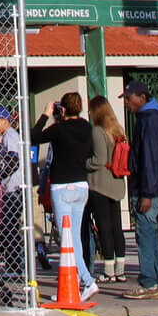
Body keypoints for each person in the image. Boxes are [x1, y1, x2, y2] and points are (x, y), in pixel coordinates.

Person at [31, 92, 97, 297]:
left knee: (68, 238)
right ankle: (73, 283)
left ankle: (87, 280)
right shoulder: (86, 127)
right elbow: (90, 151)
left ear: (64, 109)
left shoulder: (59, 129)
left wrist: (45, 115)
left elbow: (34, 137)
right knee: (75, 235)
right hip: (81, 185)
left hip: (62, 186)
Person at [119, 79, 158, 298]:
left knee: (145, 236)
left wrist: (146, 193)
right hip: (151, 187)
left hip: (146, 188)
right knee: (150, 234)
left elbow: (150, 159)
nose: (126, 103)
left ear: (142, 98)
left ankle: (148, 282)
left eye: (129, 99)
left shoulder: (149, 120)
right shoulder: (152, 118)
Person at [0, 107, 27, 288]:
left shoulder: (10, 136)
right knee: (9, 226)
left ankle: (16, 266)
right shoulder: (7, 136)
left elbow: (13, 161)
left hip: (14, 187)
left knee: (10, 226)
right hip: (11, 187)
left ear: (4, 120)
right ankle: (14, 264)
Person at [85, 95, 129, 283]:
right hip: (117, 183)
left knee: (104, 227)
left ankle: (109, 270)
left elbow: (99, 160)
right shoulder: (118, 129)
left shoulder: (97, 131)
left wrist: (84, 163)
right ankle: (120, 269)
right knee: (117, 227)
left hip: (100, 184)